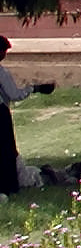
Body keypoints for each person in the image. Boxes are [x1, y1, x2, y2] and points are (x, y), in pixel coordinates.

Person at [1, 36, 54, 197]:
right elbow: (14, 94)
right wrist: (33, 88)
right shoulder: (1, 72)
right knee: (5, 151)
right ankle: (8, 185)